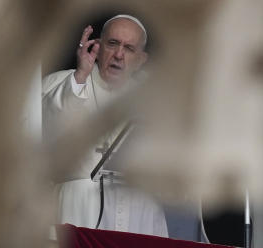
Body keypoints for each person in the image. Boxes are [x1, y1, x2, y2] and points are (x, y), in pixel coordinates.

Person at [42, 14, 170, 235]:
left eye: (129, 48)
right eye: (113, 44)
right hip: (76, 209)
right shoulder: (59, 83)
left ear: (141, 59)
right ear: (98, 47)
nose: (119, 55)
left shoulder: (154, 100)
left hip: (137, 210)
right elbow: (49, 135)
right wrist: (81, 76)